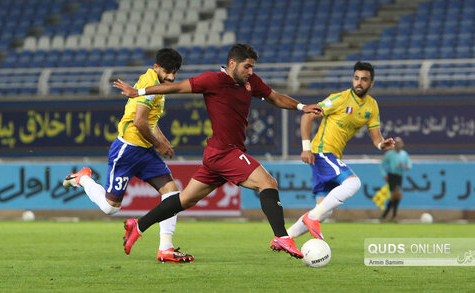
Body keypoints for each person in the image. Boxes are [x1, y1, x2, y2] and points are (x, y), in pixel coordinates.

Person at [113, 43, 323, 259]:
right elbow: (177, 87)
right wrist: (138, 92)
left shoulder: (251, 82)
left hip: (217, 154)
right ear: (232, 63)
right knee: (268, 183)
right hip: (225, 152)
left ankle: (137, 226)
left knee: (185, 200)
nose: (250, 72)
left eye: (252, 67)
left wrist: (301, 107)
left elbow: (274, 97)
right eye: (247, 67)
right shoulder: (213, 80)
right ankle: (282, 236)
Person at [63, 48, 194, 263]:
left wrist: (162, 142)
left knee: (171, 194)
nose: (171, 77)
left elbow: (150, 120)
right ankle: (83, 178)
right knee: (110, 208)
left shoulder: (157, 85)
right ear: (156, 67)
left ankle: (166, 248)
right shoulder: (149, 86)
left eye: (175, 72)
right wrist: (158, 145)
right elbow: (139, 122)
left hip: (145, 151)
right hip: (128, 151)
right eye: (168, 71)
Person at [282, 61, 395, 243]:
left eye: (364, 80)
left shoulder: (372, 106)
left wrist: (382, 145)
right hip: (321, 152)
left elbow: (376, 138)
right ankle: (310, 219)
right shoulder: (339, 99)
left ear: (371, 83)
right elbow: (307, 116)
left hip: (332, 155)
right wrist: (306, 148)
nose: (359, 82)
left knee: (324, 211)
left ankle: (285, 238)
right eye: (356, 78)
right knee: (353, 183)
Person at [380, 136, 411, 221]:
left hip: (399, 176)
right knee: (396, 194)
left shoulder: (404, 154)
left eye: (399, 143)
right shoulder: (389, 154)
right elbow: (382, 165)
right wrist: (384, 174)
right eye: (396, 143)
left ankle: (385, 216)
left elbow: (409, 163)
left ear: (402, 144)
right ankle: (394, 215)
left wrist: (408, 166)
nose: (398, 145)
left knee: (396, 197)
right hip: (392, 175)